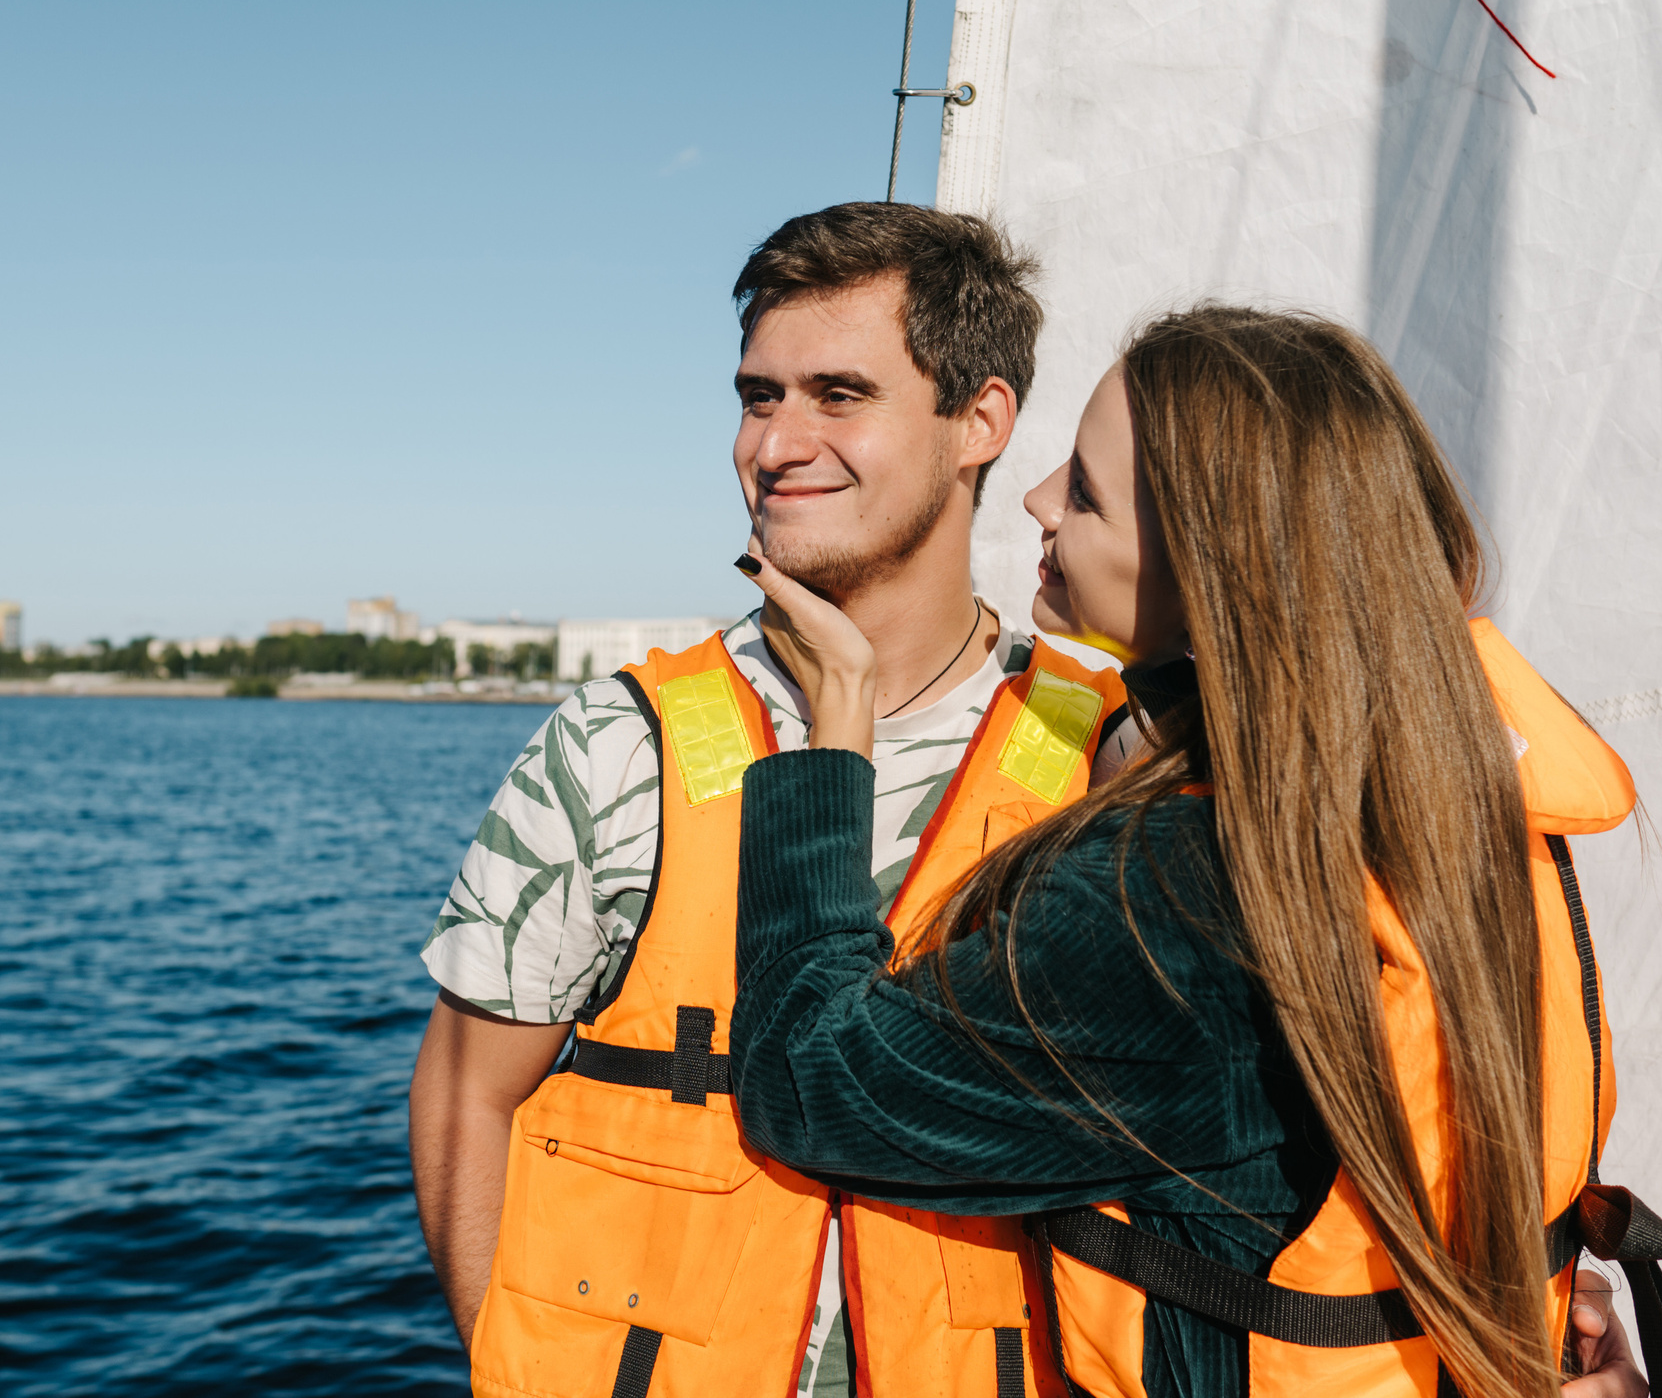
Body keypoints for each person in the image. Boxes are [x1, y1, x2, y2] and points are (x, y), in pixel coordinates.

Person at [728, 304, 1656, 1398]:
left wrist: (833, 737)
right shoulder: (1453, 802)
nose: (1032, 499)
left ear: (1214, 566)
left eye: (1082, 490)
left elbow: (813, 1082)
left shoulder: (1172, 899)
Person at [408, 202, 1145, 1398]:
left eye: (838, 395)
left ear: (979, 420)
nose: (776, 444)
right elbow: (461, 1095)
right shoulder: (616, 744)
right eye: (759, 397)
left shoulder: (1113, 750)